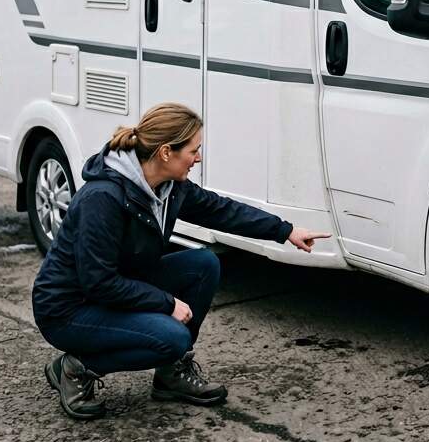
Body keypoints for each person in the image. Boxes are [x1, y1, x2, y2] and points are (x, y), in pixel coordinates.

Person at [31, 102, 329, 420]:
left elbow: (220, 210)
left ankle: (172, 375)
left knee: (204, 265)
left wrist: (285, 231)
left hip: (116, 286)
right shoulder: (102, 199)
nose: (198, 158)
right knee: (172, 337)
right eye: (193, 150)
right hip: (69, 308)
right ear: (165, 153)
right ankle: (76, 367)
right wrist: (166, 302)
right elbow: (98, 282)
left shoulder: (170, 187)